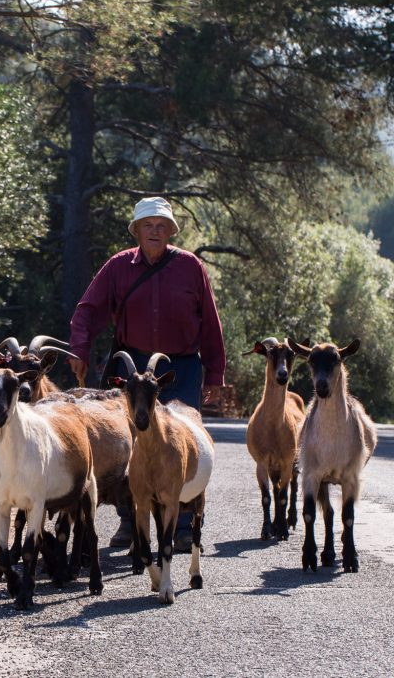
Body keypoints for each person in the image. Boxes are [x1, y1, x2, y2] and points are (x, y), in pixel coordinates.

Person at [68, 197, 226, 551]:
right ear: (137, 231)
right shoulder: (118, 267)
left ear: (171, 232)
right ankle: (130, 520)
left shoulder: (190, 267)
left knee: (184, 441)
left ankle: (183, 524)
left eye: (161, 227)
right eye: (148, 226)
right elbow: (88, 310)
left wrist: (215, 373)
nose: (155, 232)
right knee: (131, 443)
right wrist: (79, 348)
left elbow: (211, 322)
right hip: (134, 368)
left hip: (181, 367)